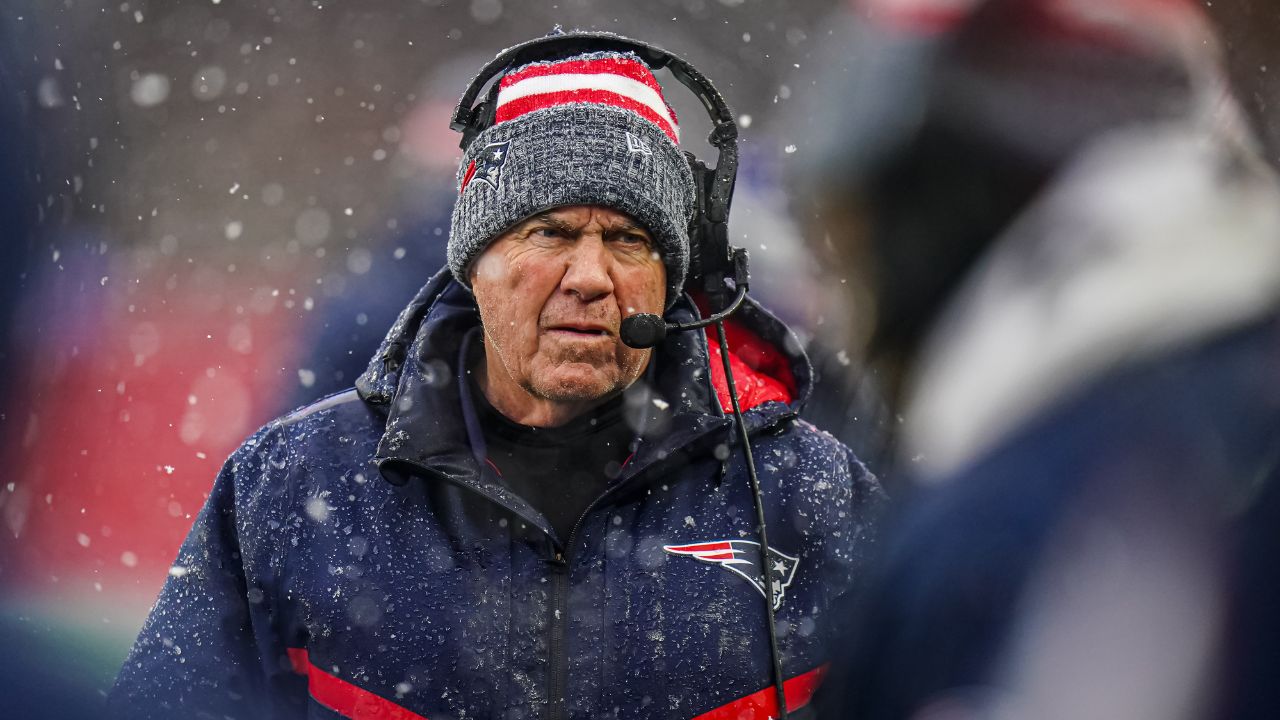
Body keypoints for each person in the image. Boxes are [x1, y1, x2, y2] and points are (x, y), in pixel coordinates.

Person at [109, 33, 884, 720]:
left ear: (673, 278)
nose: (590, 276)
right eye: (548, 231)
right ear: (474, 263)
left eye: (627, 239)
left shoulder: (811, 493)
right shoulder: (287, 487)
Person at [800, 1, 1280, 718]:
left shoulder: (1030, 520)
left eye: (849, 241)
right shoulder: (1216, 391)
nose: (848, 307)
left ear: (935, 208)